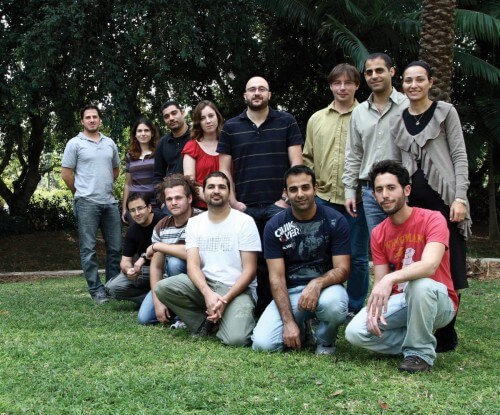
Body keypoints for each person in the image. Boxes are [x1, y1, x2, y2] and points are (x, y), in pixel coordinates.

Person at [345, 160, 458, 373]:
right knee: (355, 332)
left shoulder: (433, 219)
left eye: (391, 188)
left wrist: (391, 278)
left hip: (438, 301)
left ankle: (419, 354)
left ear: (406, 190)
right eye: (379, 190)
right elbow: (380, 282)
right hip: (403, 300)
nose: (384, 195)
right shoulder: (378, 232)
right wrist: (374, 308)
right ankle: (413, 342)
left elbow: (430, 266)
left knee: (420, 285)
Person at [390, 60, 471, 352]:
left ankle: (447, 331)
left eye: (419, 79)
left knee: (451, 263)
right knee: (417, 260)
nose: (413, 85)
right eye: (408, 80)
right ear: (402, 85)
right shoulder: (398, 119)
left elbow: (460, 156)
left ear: (430, 82)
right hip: (413, 203)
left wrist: (460, 197)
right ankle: (419, 323)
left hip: (445, 200)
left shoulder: (446, 112)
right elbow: (398, 164)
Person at [217, 76, 304, 314]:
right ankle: (257, 310)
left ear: (269, 94)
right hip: (245, 207)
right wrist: (233, 201)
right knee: (251, 263)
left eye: (262, 89)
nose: (257, 93)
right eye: (252, 89)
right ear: (245, 95)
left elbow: (297, 164)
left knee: (283, 261)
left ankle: (289, 309)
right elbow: (224, 169)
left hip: (280, 206)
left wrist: (286, 199)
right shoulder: (232, 127)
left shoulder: (286, 121)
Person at [155, 171, 261, 346]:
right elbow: (193, 266)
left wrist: (225, 299)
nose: (216, 191)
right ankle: (205, 323)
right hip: (207, 285)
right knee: (163, 287)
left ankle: (228, 318)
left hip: (237, 289)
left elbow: (250, 270)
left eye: (222, 187)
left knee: (236, 340)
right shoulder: (195, 223)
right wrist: (208, 294)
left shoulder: (245, 222)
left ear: (229, 192)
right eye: (211, 187)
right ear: (203, 192)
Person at [252, 165, 350, 355]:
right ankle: (302, 328)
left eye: (305, 187)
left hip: (325, 290)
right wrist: (288, 322)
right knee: (263, 345)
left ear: (316, 188)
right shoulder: (274, 225)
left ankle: (325, 341)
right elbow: (276, 277)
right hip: (290, 293)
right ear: (286, 193)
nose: (300, 194)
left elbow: (343, 269)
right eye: (293, 189)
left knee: (334, 305)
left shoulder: (335, 220)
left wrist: (317, 283)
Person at [303, 63, 369, 320]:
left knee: (358, 256)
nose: (342, 88)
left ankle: (353, 307)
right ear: (330, 85)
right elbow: (307, 157)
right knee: (320, 253)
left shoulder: (366, 115)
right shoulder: (316, 119)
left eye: (348, 83)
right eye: (337, 83)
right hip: (324, 198)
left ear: (357, 85)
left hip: (359, 199)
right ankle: (325, 303)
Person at [61, 104, 121, 305]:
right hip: (86, 203)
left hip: (109, 203)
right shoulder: (74, 143)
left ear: (100, 119)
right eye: (88, 117)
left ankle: (111, 286)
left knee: (116, 248)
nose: (92, 120)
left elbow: (115, 170)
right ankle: (96, 290)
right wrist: (79, 192)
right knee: (89, 249)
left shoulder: (110, 143)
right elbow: (66, 174)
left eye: (95, 116)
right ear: (82, 121)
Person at [343, 52, 408, 234]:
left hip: (402, 190)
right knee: (379, 246)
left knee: (406, 247)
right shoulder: (359, 112)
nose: (374, 76)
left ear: (392, 72)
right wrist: (349, 192)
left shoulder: (408, 106)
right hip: (371, 193)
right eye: (369, 72)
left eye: (379, 70)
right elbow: (353, 154)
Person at [140, 174, 202, 325]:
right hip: (169, 281)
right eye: (169, 199)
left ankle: (183, 317)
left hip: (199, 281)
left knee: (175, 262)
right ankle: (173, 309)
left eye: (178, 198)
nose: (173, 203)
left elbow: (193, 254)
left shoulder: (202, 220)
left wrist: (158, 246)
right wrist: (157, 301)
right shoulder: (162, 225)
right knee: (144, 318)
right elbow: (156, 266)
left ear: (189, 198)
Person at [106, 192, 162, 309]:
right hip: (144, 272)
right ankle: (148, 299)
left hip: (164, 269)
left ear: (149, 207)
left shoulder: (163, 221)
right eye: (132, 210)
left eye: (140, 208)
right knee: (112, 287)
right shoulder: (132, 232)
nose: (137, 214)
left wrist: (143, 258)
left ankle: (160, 299)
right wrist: (129, 270)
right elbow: (125, 261)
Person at [182, 100, 223, 209]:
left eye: (211, 116)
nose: (208, 121)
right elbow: (190, 182)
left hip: (229, 205)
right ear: (198, 122)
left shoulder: (227, 145)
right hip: (202, 207)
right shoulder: (192, 146)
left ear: (217, 117)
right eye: (202, 118)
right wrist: (212, 200)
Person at [121, 118, 160, 223]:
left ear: (152, 133)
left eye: (146, 130)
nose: (143, 134)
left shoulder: (159, 153)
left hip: (155, 204)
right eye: (139, 131)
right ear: (135, 134)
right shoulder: (130, 156)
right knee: (137, 237)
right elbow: (128, 184)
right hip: (135, 206)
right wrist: (124, 208)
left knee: (155, 237)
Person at [153, 100, 190, 186]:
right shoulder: (162, 143)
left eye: (174, 113)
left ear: (182, 113)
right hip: (172, 195)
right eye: (166, 116)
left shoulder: (196, 136)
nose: (171, 118)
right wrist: (161, 197)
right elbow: (158, 176)